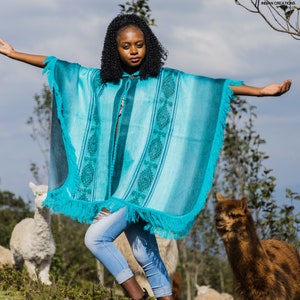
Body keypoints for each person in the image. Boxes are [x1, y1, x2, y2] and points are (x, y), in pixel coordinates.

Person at [0, 13, 291, 300]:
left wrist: (261, 92)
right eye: (126, 46)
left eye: (139, 44)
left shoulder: (163, 82)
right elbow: (60, 67)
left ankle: (136, 296)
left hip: (143, 189)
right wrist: (13, 54)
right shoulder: (103, 82)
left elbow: (213, 88)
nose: (134, 51)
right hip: (117, 189)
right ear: (115, 49)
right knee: (144, 253)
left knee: (95, 238)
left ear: (147, 44)